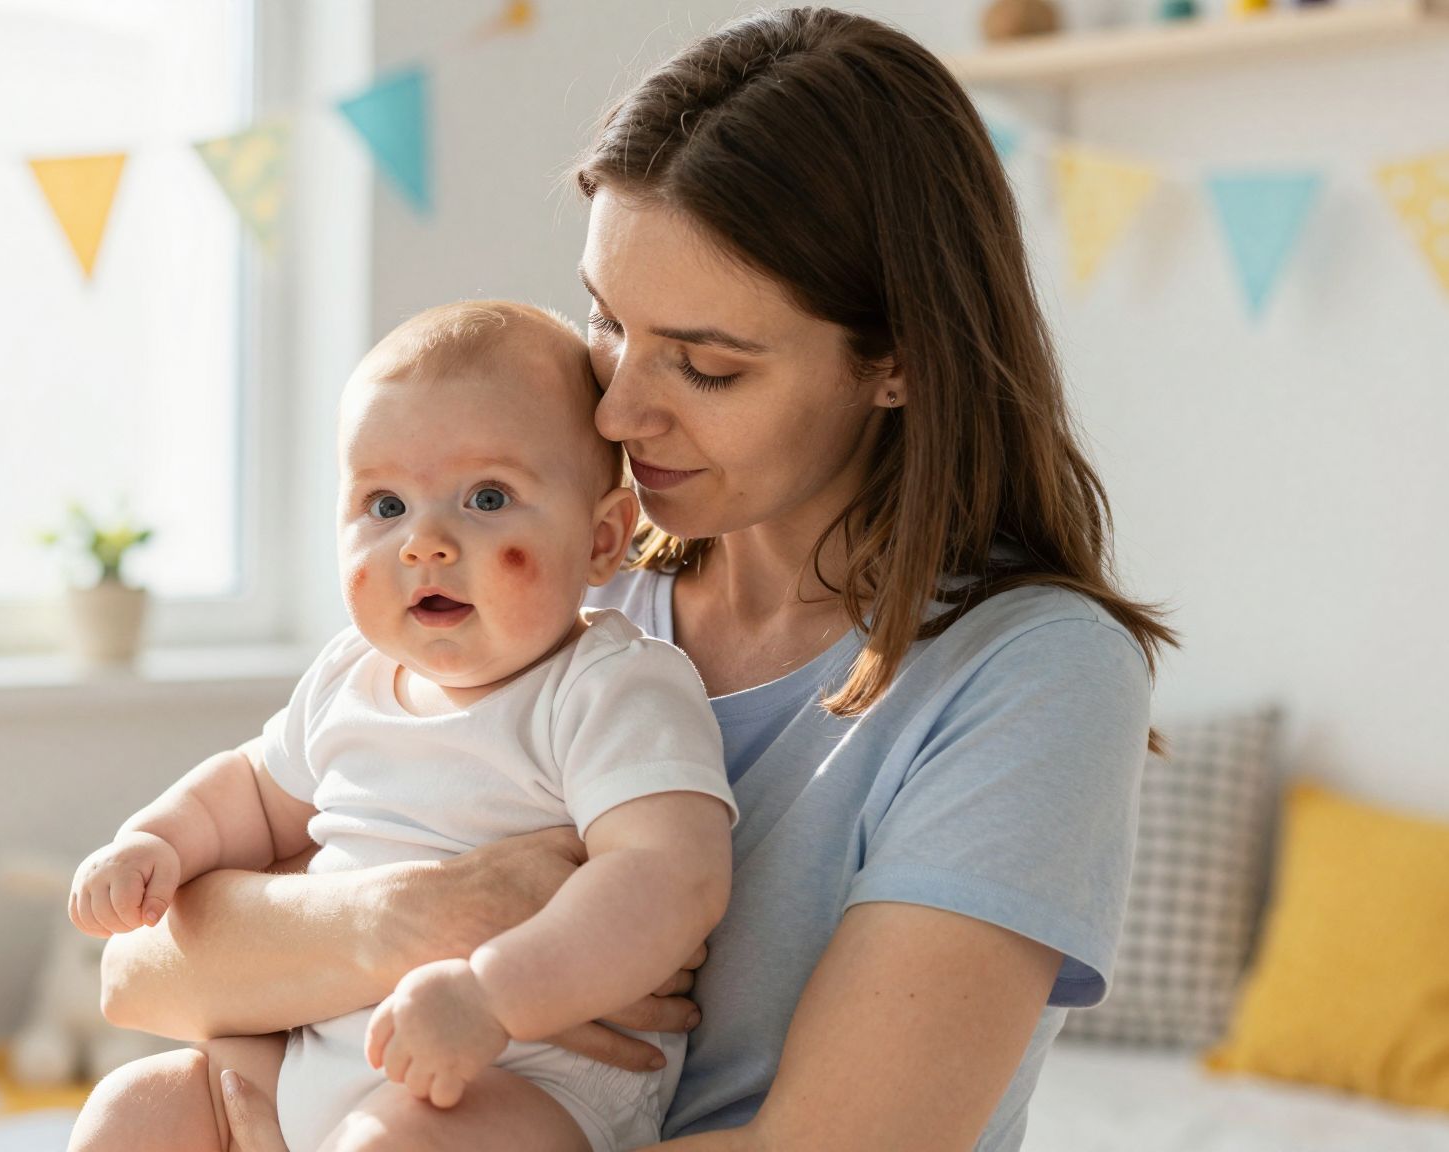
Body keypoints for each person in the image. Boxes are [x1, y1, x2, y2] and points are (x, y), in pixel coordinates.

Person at [90, 8, 1175, 1151]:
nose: (613, 410)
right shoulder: (542, 587)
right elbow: (143, 974)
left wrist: (391, 991)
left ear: (893, 362)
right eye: (606, 323)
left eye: (704, 367)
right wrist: (421, 917)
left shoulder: (1030, 675)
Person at [65, 301, 737, 1152]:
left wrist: (492, 995)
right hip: (315, 1059)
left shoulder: (612, 687)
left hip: (519, 1080)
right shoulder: (351, 676)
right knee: (133, 1109)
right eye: (384, 505)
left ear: (604, 538)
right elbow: (248, 790)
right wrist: (155, 842)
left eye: (486, 497)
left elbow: (670, 878)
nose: (424, 542)